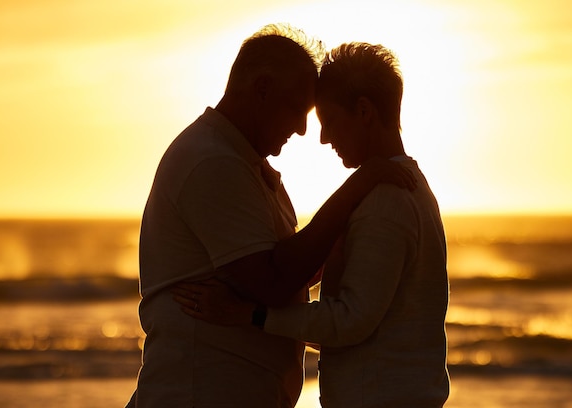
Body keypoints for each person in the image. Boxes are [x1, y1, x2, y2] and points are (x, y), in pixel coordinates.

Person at [126, 25, 416, 408]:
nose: (301, 129)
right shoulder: (213, 162)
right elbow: (273, 283)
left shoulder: (242, 162)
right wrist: (357, 187)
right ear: (261, 89)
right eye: (297, 108)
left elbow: (289, 268)